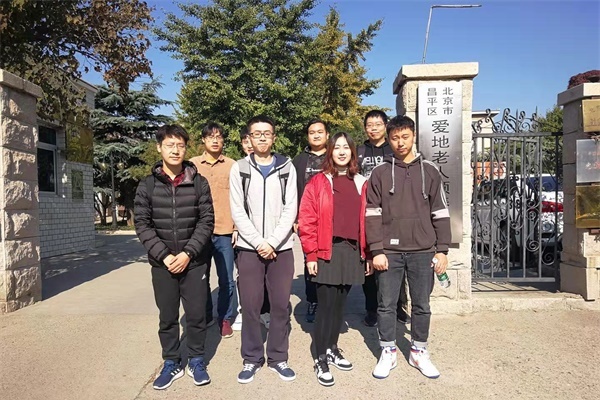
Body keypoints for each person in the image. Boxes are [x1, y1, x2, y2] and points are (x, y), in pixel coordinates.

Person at [366, 115, 450, 380]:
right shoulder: (380, 173)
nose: (400, 142)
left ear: (413, 136)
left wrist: (442, 249)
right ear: (388, 139)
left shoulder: (430, 171)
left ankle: (419, 350)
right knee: (386, 304)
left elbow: (440, 211)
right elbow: (372, 213)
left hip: (423, 250)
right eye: (394, 138)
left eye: (405, 137)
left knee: (422, 304)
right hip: (389, 252)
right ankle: (388, 350)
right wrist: (376, 249)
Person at [134, 124, 214, 389]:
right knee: (167, 316)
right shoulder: (147, 185)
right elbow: (142, 224)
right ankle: (171, 361)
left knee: (196, 315)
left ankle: (197, 360)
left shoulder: (199, 182)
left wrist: (188, 253)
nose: (176, 150)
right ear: (159, 147)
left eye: (180, 145)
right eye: (170, 145)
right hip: (163, 264)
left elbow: (206, 221)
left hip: (194, 262)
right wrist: (165, 255)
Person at [298, 132, 371, 386]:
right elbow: (307, 219)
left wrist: (368, 252)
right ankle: (320, 357)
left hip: (351, 251)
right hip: (326, 250)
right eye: (337, 147)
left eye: (346, 148)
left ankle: (332, 347)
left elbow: (368, 219)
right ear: (330, 152)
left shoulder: (361, 182)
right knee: (326, 306)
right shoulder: (318, 182)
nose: (341, 152)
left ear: (352, 152)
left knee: (340, 305)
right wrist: (311, 254)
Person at [229, 115, 298, 384]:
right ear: (249, 138)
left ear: (274, 137)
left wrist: (273, 242)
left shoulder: (287, 168)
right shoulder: (240, 169)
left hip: (281, 249)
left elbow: (290, 208)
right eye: (256, 133)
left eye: (266, 133)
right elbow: (237, 210)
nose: (261, 138)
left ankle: (278, 357)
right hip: (249, 249)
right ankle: (251, 357)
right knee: (250, 305)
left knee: (280, 305)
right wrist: (259, 242)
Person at [358, 110, 410, 327]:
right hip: (366, 212)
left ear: (385, 126)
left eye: (378, 124)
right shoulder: (359, 152)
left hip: (393, 214)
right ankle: (372, 309)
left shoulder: (394, 149)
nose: (374, 128)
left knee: (395, 262)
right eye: (369, 125)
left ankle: (398, 306)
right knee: (369, 262)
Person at [190, 122, 236, 338]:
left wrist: (237, 228)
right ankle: (206, 315)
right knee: (201, 278)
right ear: (203, 140)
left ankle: (225, 318)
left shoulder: (232, 166)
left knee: (226, 279)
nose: (215, 140)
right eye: (210, 137)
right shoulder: (192, 165)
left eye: (219, 136)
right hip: (199, 233)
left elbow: (239, 199)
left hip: (225, 231)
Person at [231, 127, 271, 332]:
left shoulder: (274, 167)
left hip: (268, 236)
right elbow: (236, 205)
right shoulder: (238, 168)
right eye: (246, 141)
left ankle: (265, 311)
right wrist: (236, 228)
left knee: (267, 277)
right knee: (244, 276)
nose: (250, 145)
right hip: (244, 235)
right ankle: (243, 311)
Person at [292, 118, 329, 323]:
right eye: (312, 132)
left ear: (327, 135)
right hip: (307, 220)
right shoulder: (298, 161)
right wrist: (295, 218)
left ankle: (330, 302)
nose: (316, 135)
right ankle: (313, 300)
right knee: (310, 261)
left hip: (332, 220)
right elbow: (292, 192)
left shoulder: (335, 156)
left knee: (331, 262)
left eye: (320, 132)